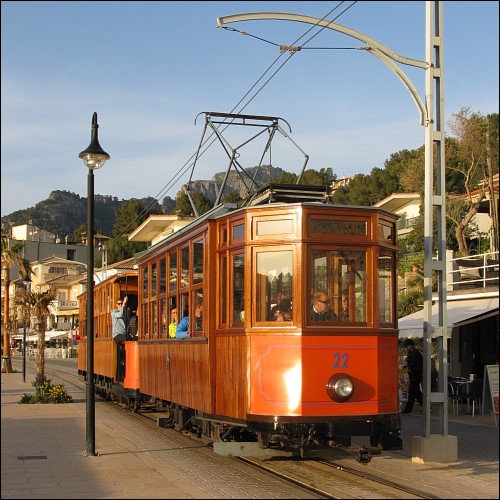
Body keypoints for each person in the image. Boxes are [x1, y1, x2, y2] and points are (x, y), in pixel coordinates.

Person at [402, 338, 423, 415]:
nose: (406, 348)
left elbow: (410, 363)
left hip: (414, 375)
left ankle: (408, 409)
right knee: (417, 392)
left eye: (406, 346)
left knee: (412, 393)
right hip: (417, 375)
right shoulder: (416, 352)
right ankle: (425, 406)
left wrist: (404, 365)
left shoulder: (413, 353)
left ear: (409, 346)